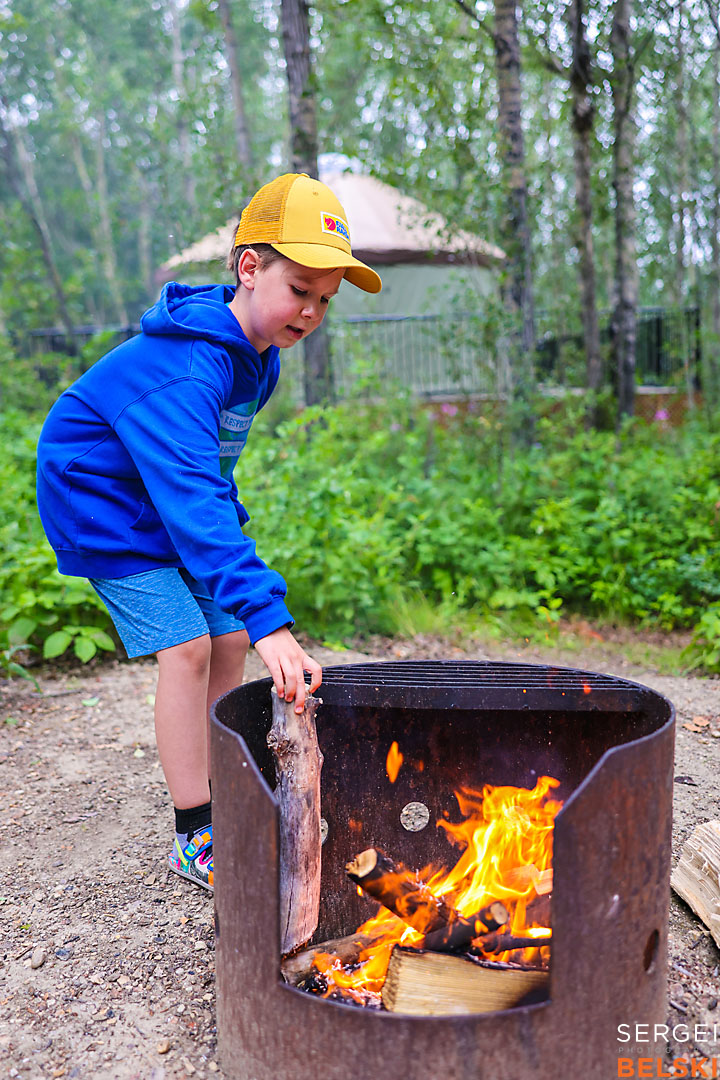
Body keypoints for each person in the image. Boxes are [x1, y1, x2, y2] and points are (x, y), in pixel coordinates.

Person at [36, 172, 382, 893]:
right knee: (190, 647)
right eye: (301, 289)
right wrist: (271, 619)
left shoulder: (259, 359)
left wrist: (249, 611)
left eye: (326, 299)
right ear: (249, 269)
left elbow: (208, 476)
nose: (312, 311)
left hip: (166, 499)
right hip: (103, 506)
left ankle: (228, 786)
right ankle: (195, 830)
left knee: (229, 636)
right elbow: (190, 495)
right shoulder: (189, 369)